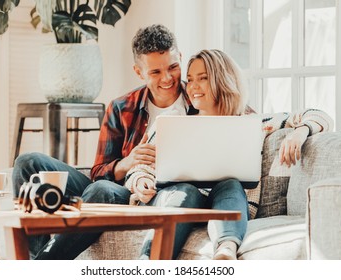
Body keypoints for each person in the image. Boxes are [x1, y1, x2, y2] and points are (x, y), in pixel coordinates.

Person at [12, 24, 204, 260]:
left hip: (152, 196)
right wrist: (127, 162)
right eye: (155, 72)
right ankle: (35, 255)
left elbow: (237, 110)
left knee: (101, 190)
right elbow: (98, 172)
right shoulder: (122, 107)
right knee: (27, 163)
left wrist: (262, 125)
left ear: (180, 59)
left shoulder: (200, 101)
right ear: (139, 72)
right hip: (118, 188)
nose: (167, 78)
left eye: (173, 67)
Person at [123, 49, 333, 260]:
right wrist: (141, 181)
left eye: (203, 78)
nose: (193, 87)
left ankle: (226, 250)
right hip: (176, 200)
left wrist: (300, 132)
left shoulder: (255, 124)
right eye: (191, 79)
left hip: (222, 203)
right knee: (186, 190)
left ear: (222, 80)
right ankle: (147, 263)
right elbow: (139, 167)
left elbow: (319, 115)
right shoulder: (173, 122)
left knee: (231, 184)